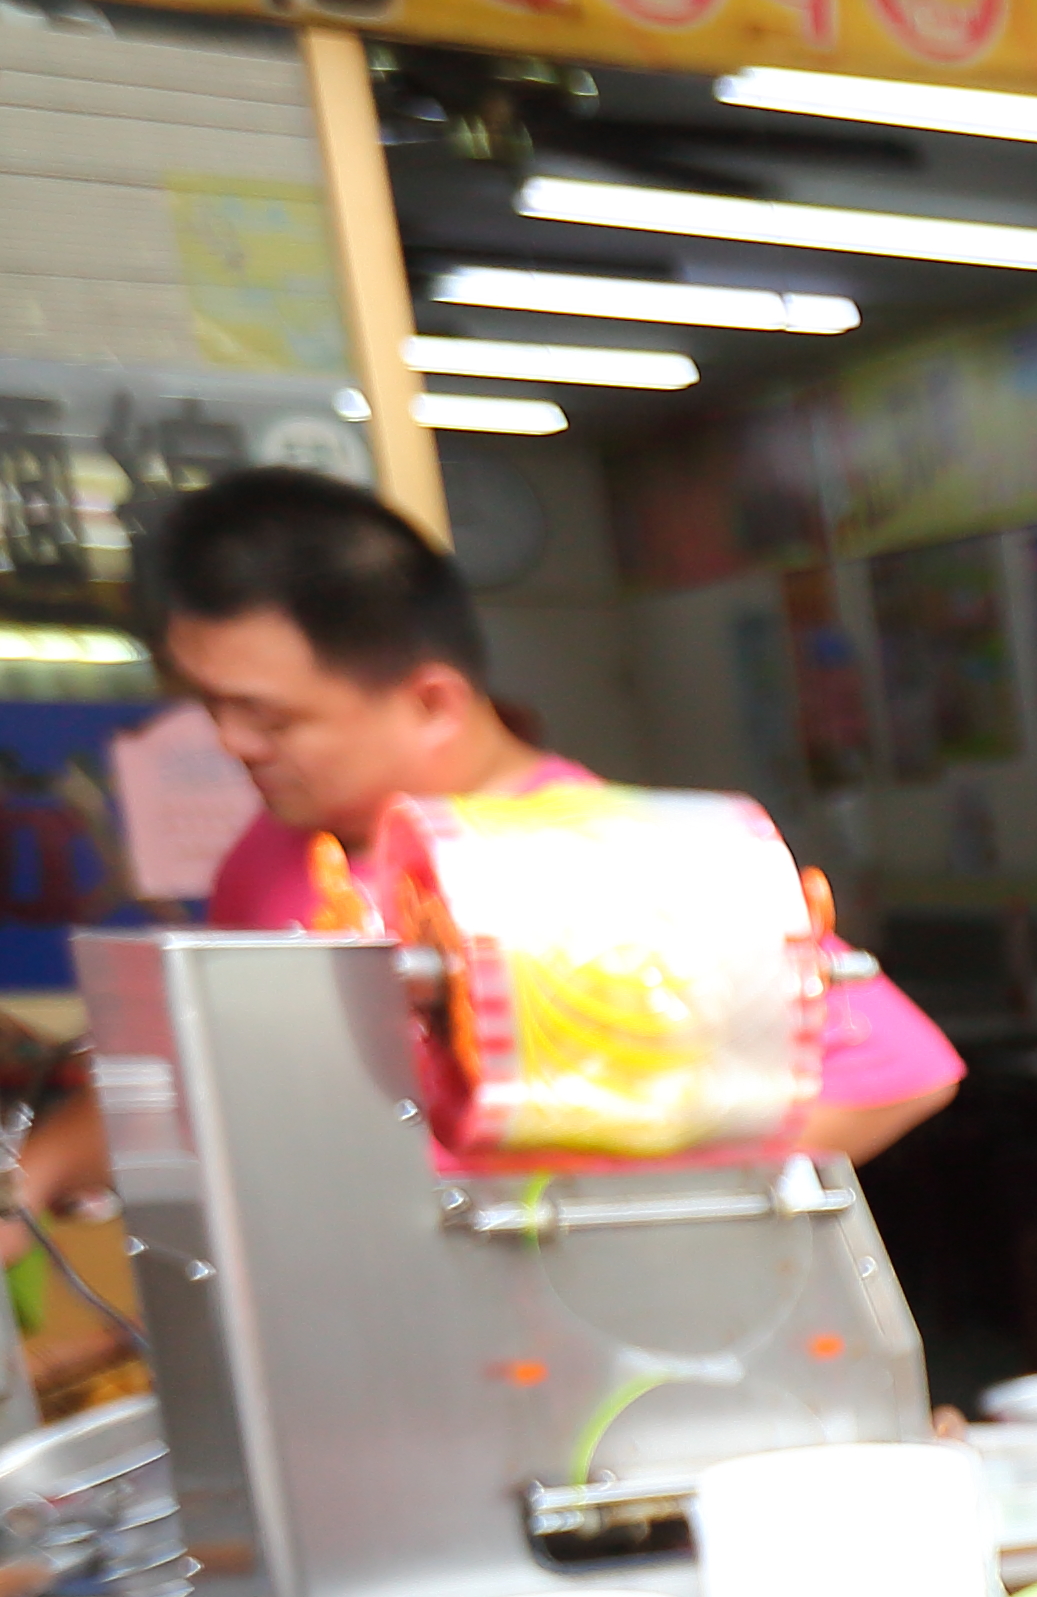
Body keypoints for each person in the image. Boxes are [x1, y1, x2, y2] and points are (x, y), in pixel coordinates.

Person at [139, 469, 961, 1154]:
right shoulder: (271, 848)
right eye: (210, 704)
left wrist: (582, 1195)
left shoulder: (611, 863)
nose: (232, 742)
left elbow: (898, 1073)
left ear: (431, 703)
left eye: (271, 718)